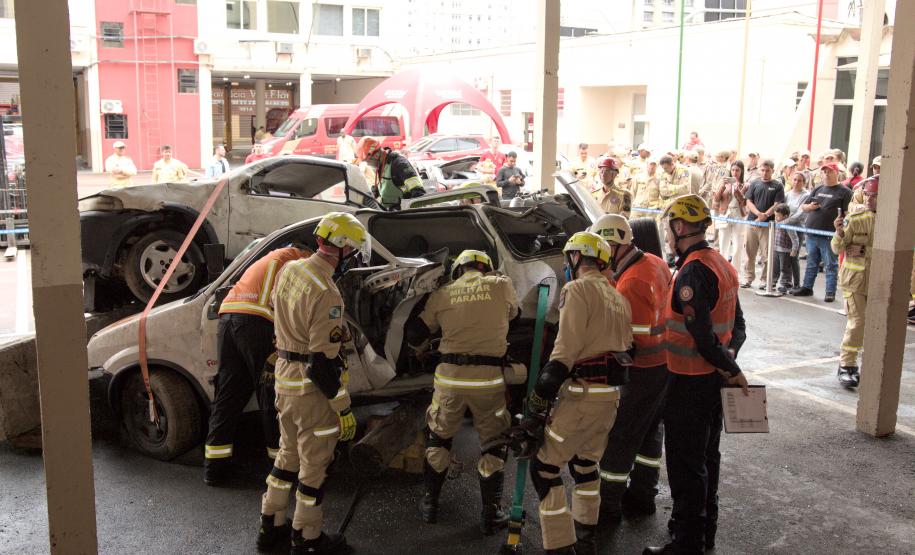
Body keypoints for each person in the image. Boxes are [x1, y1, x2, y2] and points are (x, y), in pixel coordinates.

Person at [643, 194, 748, 555]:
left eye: (670, 227)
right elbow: (738, 326)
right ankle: (704, 534)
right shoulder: (721, 263)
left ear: (679, 227)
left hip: (690, 382)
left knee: (687, 464)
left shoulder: (692, 271)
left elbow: (702, 336)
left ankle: (686, 544)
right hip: (713, 382)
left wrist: (729, 367)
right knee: (707, 458)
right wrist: (729, 361)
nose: (669, 235)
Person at [258, 212, 368, 554]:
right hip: (312, 392)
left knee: (286, 457)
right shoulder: (328, 293)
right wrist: (343, 408)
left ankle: (270, 526)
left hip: (285, 381)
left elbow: (283, 318)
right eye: (354, 249)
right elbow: (323, 365)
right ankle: (308, 538)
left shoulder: (292, 269)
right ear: (343, 247)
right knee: (314, 468)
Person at [516, 231, 632, 554]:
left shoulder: (577, 290)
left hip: (582, 397)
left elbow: (564, 354)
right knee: (585, 465)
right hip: (610, 398)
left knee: (544, 468)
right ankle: (586, 536)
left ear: (576, 258)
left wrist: (539, 396)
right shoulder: (618, 297)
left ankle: (560, 545)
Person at [406, 249, 520, 534]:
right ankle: (491, 514)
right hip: (488, 381)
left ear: (458, 269)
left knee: (439, 438)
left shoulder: (442, 293)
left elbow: (415, 335)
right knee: (494, 442)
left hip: (450, 380)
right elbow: (515, 317)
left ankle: (430, 505)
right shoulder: (501, 285)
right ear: (486, 268)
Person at [204, 245, 311, 487]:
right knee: (271, 393)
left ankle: (214, 469)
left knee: (228, 395)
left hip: (228, 318)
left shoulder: (273, 256)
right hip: (256, 321)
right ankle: (280, 468)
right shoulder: (298, 261)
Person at [589, 215, 671, 525]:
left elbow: (629, 338)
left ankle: (608, 507)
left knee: (621, 436)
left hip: (641, 369)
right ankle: (643, 495)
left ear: (614, 245)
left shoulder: (632, 280)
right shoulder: (652, 262)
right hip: (663, 363)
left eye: (601, 248)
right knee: (649, 433)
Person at [833, 177, 878, 388]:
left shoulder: (894, 221)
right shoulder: (857, 218)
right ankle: (847, 365)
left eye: (875, 195)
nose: (870, 199)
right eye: (868, 194)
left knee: (876, 326)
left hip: (880, 281)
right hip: (854, 281)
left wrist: (864, 251)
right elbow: (837, 247)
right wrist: (839, 232)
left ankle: (872, 366)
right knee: (857, 322)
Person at [790, 162, 852, 302]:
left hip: (829, 235)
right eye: (823, 171)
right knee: (811, 262)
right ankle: (807, 287)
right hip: (812, 232)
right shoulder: (818, 189)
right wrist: (811, 206)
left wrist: (842, 229)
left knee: (830, 264)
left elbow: (848, 215)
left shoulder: (845, 192)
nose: (826, 174)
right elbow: (804, 207)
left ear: (837, 173)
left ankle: (830, 292)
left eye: (829, 171)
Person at [741, 159, 785, 289]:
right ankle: (748, 278)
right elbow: (748, 201)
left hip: (767, 226)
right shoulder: (754, 183)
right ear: (760, 170)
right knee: (749, 253)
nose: (765, 173)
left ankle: (764, 280)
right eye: (763, 170)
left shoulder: (778, 186)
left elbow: (777, 204)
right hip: (752, 223)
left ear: (772, 170)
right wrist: (758, 214)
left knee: (766, 254)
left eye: (768, 170)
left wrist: (764, 215)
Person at [356, 136, 425, 210]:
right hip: (389, 212)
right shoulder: (382, 164)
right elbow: (387, 186)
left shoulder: (399, 164)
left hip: (401, 213)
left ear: (375, 155)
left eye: (367, 161)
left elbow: (418, 192)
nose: (368, 164)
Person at [712, 161, 747, 265]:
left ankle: (735, 271)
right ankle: (723, 268)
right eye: (732, 170)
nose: (734, 172)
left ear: (741, 171)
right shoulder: (724, 182)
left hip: (738, 214)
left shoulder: (745, 185)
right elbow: (716, 199)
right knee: (723, 243)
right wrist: (723, 186)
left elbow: (743, 201)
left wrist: (735, 189)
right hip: (725, 213)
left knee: (737, 245)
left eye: (737, 170)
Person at [771, 204, 799, 292]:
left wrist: (794, 250)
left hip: (786, 251)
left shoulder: (788, 225)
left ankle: (786, 284)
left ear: (785, 216)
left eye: (778, 216)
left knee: (785, 268)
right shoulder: (775, 223)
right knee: (775, 267)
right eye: (775, 215)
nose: (776, 217)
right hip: (776, 249)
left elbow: (795, 238)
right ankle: (772, 282)